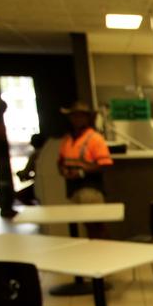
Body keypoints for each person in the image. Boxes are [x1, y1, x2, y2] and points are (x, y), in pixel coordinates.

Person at [57, 101, 114, 238]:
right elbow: (60, 161)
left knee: (97, 225)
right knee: (85, 226)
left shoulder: (95, 139)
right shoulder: (67, 140)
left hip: (90, 188)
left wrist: (82, 172)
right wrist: (64, 171)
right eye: (74, 116)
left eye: (81, 116)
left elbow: (104, 163)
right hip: (73, 189)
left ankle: (105, 253)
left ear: (88, 118)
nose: (77, 120)